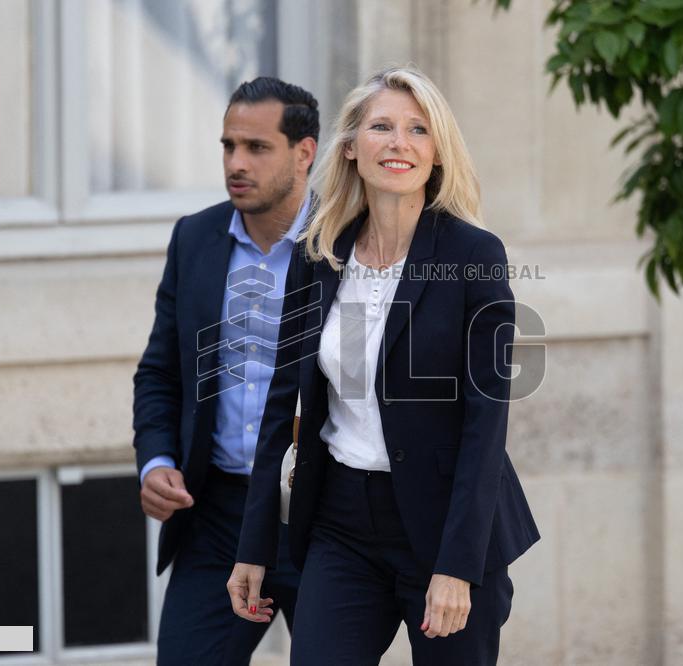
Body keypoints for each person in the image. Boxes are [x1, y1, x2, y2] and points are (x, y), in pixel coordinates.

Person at [227, 66, 540, 665]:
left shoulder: (474, 255)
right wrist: (255, 545)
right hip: (342, 524)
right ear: (350, 147)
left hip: (445, 523)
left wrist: (457, 566)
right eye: (382, 127)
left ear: (437, 152)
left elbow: (485, 422)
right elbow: (279, 404)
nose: (400, 143)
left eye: (418, 129)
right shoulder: (318, 252)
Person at [132, 76, 319, 665]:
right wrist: (158, 460)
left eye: (257, 148)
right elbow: (160, 372)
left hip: (320, 514)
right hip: (215, 515)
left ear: (304, 153)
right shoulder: (195, 238)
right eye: (228, 146)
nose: (236, 163)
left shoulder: (348, 242)